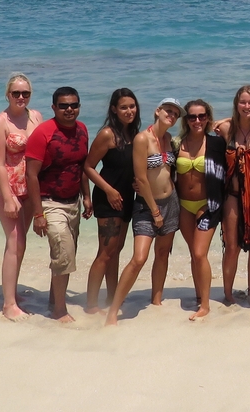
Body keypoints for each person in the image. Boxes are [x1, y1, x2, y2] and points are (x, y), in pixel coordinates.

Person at [105, 99, 183, 325]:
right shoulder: (142, 139)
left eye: (176, 114)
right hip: (147, 206)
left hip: (171, 202)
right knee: (139, 258)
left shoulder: (169, 139)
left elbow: (169, 172)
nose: (172, 115)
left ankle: (156, 300)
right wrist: (155, 211)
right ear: (157, 111)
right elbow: (140, 177)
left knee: (162, 253)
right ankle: (113, 311)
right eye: (168, 111)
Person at [25, 86, 92, 323]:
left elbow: (82, 166)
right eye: (63, 106)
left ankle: (55, 299)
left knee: (66, 253)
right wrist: (37, 214)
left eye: (74, 105)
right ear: (54, 108)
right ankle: (59, 310)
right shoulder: (44, 133)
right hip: (49, 202)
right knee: (64, 254)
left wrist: (86, 196)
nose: (69, 109)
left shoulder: (82, 130)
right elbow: (31, 175)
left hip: (73, 201)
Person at [0, 72, 44, 320]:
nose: (21, 97)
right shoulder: (0, 122)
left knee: (22, 242)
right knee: (15, 241)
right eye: (16, 93)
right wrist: (9, 198)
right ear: (7, 95)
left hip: (30, 186)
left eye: (26, 93)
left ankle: (13, 293)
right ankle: (8, 304)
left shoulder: (37, 116)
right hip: (6, 187)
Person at [81, 88, 141, 315]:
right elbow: (87, 166)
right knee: (105, 253)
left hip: (126, 198)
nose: (129, 111)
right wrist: (108, 190)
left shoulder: (133, 134)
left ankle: (112, 295)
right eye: (124, 107)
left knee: (116, 250)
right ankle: (91, 304)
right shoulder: (108, 134)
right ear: (114, 110)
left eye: (132, 106)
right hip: (109, 199)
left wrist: (136, 183)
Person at [214, 85, 250, 305]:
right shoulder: (227, 128)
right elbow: (203, 125)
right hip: (232, 196)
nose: (247, 106)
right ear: (236, 104)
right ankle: (227, 294)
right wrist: (227, 119)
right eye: (242, 102)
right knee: (232, 246)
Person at [175, 99, 228, 320]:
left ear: (208, 118)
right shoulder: (177, 143)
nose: (197, 120)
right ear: (185, 119)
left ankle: (204, 305)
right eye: (192, 116)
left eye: (202, 116)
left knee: (199, 253)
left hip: (208, 204)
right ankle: (199, 294)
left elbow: (244, 123)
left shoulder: (217, 143)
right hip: (182, 205)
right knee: (193, 253)